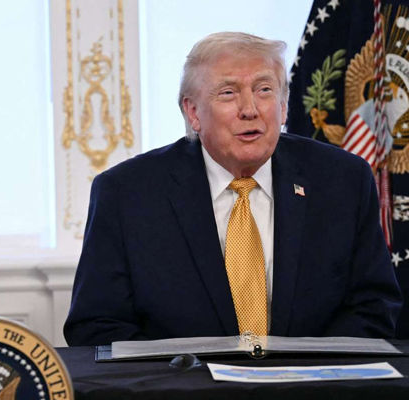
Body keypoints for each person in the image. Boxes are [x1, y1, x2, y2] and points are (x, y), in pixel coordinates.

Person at [64, 32, 403, 346]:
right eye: (228, 93)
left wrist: (305, 375)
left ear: (284, 106)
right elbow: (97, 325)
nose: (250, 110)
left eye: (264, 90)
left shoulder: (343, 181)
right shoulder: (127, 194)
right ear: (193, 112)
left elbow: (373, 307)